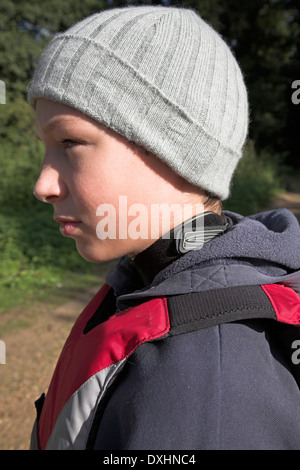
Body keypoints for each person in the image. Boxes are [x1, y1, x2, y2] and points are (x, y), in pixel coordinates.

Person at [27, 5, 300, 450]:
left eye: (69, 143)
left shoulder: (209, 385)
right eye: (46, 148)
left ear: (174, 151)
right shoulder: (145, 277)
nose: (42, 185)